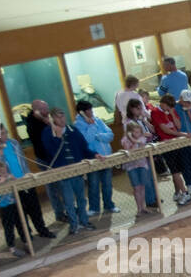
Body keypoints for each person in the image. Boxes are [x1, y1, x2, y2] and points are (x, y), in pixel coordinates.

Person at [0, 118, 54, 240]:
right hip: (11, 184)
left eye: (5, 132)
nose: (5, 135)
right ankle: (26, 235)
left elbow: (22, 161)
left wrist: (28, 174)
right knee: (19, 213)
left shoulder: (14, 143)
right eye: (1, 134)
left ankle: (42, 229)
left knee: (34, 208)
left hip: (24, 180)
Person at [40, 107, 98, 235]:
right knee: (68, 200)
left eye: (63, 116)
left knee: (81, 198)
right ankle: (74, 224)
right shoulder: (47, 133)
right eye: (58, 117)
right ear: (52, 119)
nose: (61, 119)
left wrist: (94, 155)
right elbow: (50, 153)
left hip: (77, 170)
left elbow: (84, 148)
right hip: (62, 172)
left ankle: (84, 220)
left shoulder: (73, 130)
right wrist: (57, 137)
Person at [22, 99, 67, 224]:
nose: (47, 111)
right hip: (45, 160)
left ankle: (69, 209)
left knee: (63, 186)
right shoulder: (32, 124)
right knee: (53, 188)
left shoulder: (47, 118)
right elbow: (38, 137)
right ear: (36, 111)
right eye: (43, 109)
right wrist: (44, 121)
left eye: (47, 108)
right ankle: (59, 213)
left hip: (56, 157)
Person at [73, 100, 119, 214]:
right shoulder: (78, 125)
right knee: (93, 184)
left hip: (106, 156)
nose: (91, 112)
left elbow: (110, 135)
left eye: (91, 109)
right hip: (92, 159)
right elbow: (86, 140)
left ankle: (109, 205)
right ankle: (94, 208)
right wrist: (91, 126)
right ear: (81, 112)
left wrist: (98, 136)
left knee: (107, 183)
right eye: (88, 110)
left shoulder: (98, 120)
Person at [120, 120, 156, 215]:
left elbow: (141, 145)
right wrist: (130, 138)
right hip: (131, 166)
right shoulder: (124, 140)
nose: (138, 134)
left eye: (139, 132)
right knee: (136, 187)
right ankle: (139, 208)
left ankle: (143, 207)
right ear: (130, 132)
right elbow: (128, 149)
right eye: (135, 132)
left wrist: (134, 139)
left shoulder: (142, 138)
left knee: (142, 186)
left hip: (142, 164)